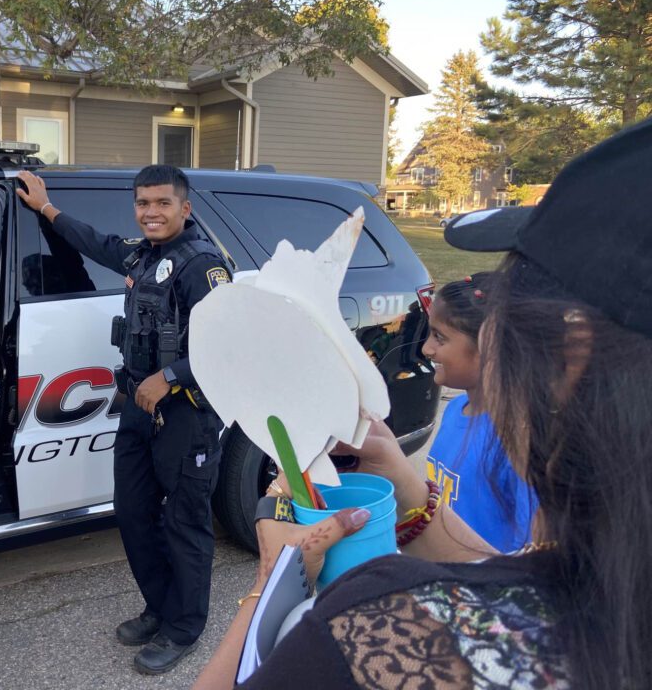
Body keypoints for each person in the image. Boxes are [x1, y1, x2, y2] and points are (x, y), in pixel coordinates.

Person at [194, 117, 652, 689]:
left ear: (571, 357)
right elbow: (508, 570)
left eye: (502, 311)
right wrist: (414, 498)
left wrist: (268, 585)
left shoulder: (386, 634)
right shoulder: (612, 583)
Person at [16, 165, 231, 675]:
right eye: (142, 203)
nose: (151, 212)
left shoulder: (203, 266)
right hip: (138, 407)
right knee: (133, 513)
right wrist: (45, 209)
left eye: (161, 203)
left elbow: (231, 341)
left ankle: (184, 627)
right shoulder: (143, 254)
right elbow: (95, 243)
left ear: (185, 208)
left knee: (184, 523)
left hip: (186, 414)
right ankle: (160, 607)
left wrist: (173, 376)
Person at [423, 272, 535, 552]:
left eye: (439, 337)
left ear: (490, 347)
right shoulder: (453, 411)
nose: (426, 348)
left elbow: (532, 548)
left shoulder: (517, 442)